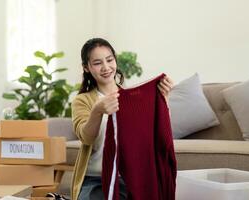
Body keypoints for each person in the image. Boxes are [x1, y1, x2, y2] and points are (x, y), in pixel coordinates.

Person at [71, 38, 174, 200]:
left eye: (109, 60)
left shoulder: (133, 99)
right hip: (95, 180)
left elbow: (157, 134)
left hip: (129, 177)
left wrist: (164, 101)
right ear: (86, 68)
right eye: (97, 63)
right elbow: (86, 138)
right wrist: (97, 111)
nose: (106, 67)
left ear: (115, 61)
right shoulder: (83, 100)